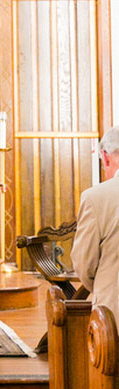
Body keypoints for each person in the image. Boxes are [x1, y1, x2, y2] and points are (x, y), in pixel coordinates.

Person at [71, 126, 119, 321]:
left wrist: (102, 285)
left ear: (105, 157)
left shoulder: (95, 198)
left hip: (113, 314)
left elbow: (84, 263)